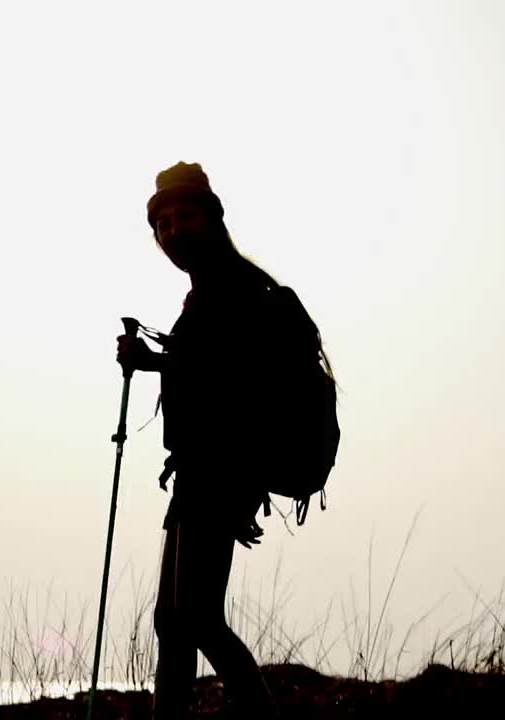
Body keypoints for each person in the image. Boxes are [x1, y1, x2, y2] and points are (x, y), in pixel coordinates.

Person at [117, 162, 330, 720]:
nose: (173, 231)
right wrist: (155, 362)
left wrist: (154, 361)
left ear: (213, 218)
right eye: (161, 223)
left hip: (223, 468)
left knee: (195, 618)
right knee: (175, 621)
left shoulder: (236, 289)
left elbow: (230, 375)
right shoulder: (209, 293)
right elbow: (206, 368)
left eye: (184, 216)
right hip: (201, 470)